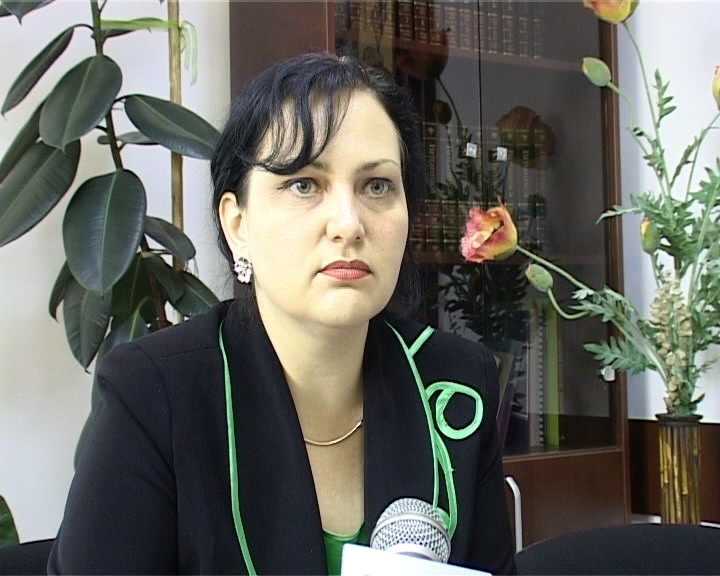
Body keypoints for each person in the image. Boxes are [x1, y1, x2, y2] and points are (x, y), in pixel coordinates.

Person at [48, 52, 516, 575]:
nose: (348, 224)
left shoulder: (455, 385)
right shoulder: (155, 397)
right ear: (237, 224)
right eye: (304, 184)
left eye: (377, 186)